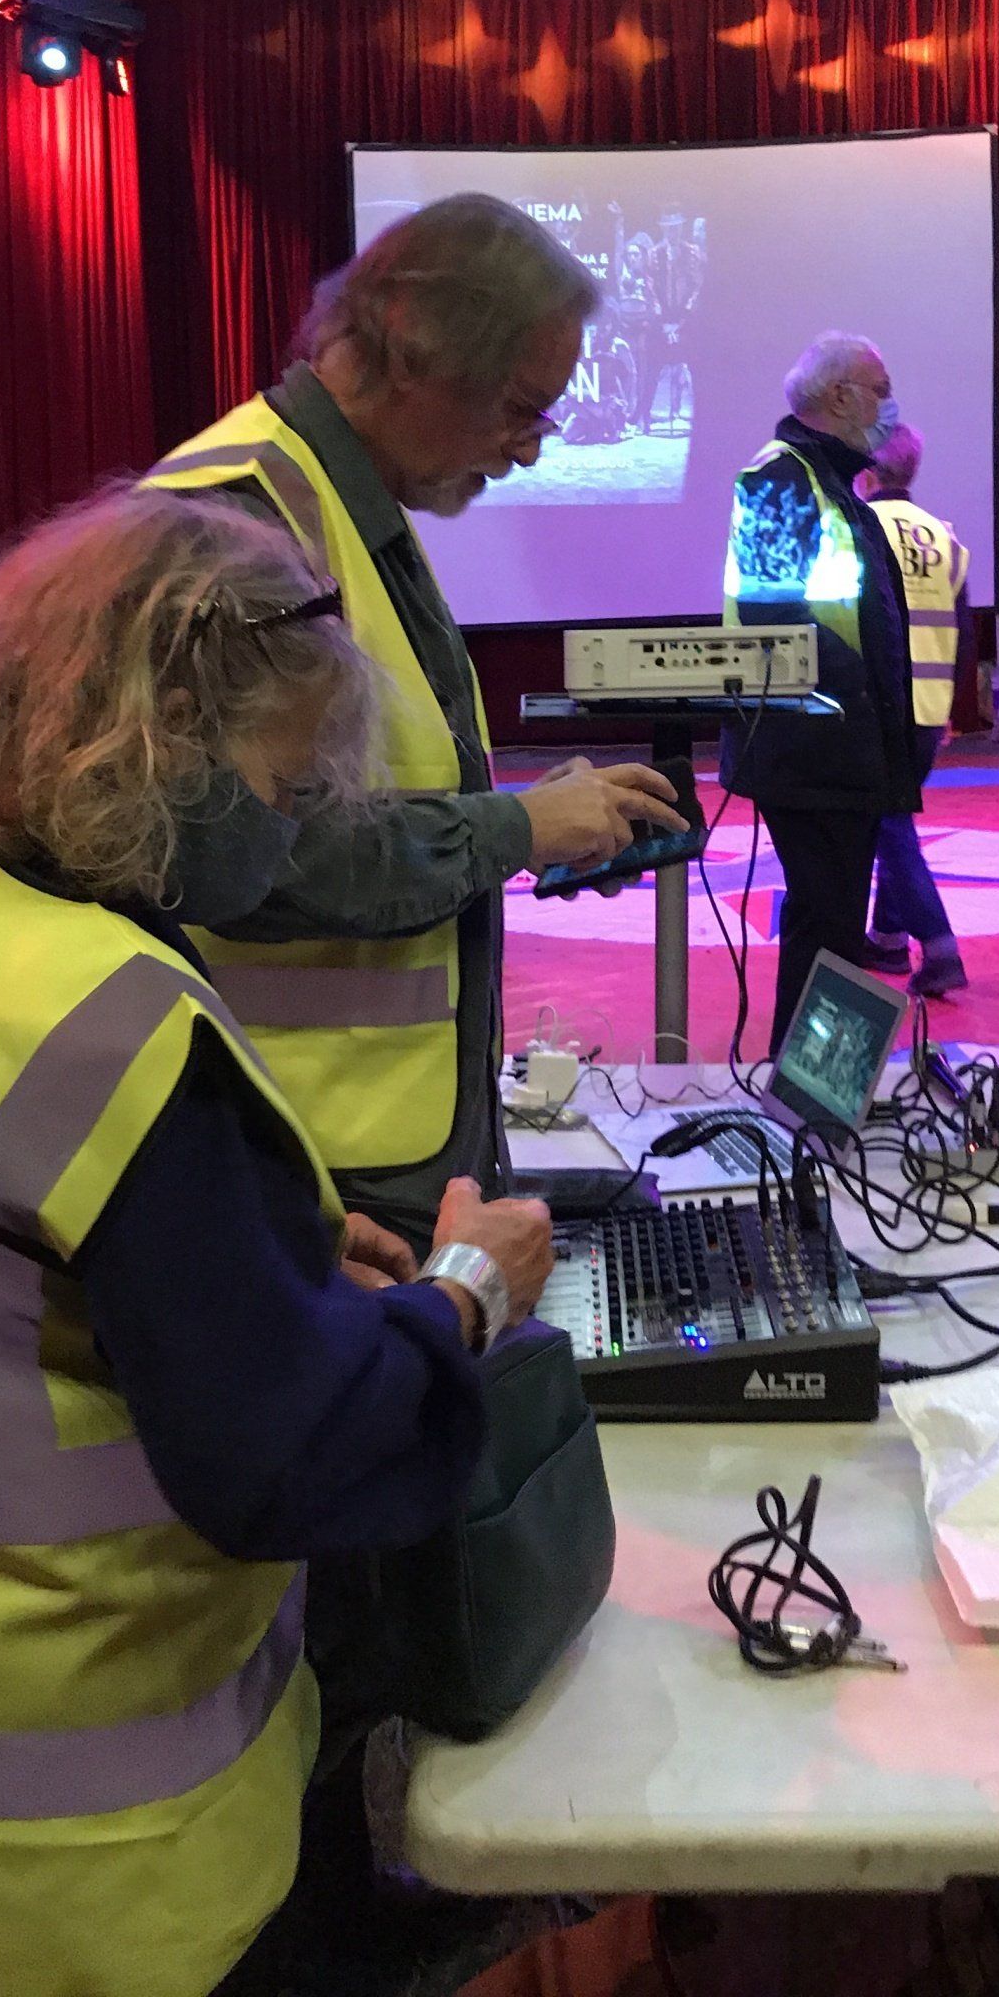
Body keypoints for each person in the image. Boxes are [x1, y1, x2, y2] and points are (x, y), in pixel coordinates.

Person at [0, 487, 556, 1997]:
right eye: (289, 783)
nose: (303, 826)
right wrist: (466, 1293)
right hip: (86, 1860)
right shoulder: (109, 1030)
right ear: (156, 738)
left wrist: (275, 1266)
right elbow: (289, 1459)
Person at [145, 193, 682, 1252]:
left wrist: (540, 821)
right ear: (403, 338)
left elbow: (373, 795)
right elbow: (234, 860)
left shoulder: (335, 501)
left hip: (357, 1144)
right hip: (305, 1159)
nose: (528, 453)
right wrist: (514, 831)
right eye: (519, 408)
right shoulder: (240, 519)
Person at [721, 333, 918, 1056]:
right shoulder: (780, 476)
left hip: (844, 747)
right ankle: (806, 1094)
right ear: (839, 396)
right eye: (880, 385)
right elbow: (776, 613)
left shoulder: (837, 485)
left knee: (829, 926)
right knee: (828, 927)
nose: (890, 405)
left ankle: (808, 1092)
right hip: (810, 747)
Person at [855, 423, 971, 999]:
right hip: (929, 707)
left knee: (889, 825)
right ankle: (888, 936)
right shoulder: (943, 536)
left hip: (882, 709)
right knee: (891, 817)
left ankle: (940, 944)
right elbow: (962, 630)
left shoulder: (862, 529)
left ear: (866, 470)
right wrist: (952, 708)